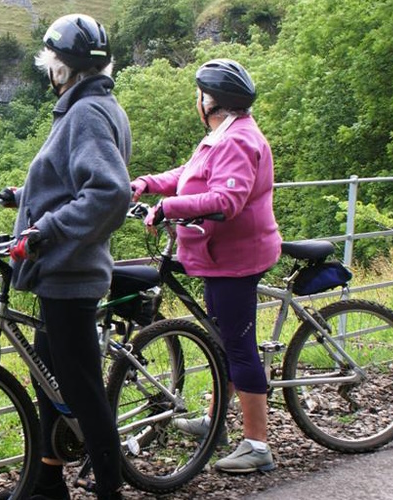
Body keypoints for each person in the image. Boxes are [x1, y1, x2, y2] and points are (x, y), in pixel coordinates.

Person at [0, 13, 131, 500]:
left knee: (85, 394)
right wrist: (25, 194)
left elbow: (110, 193)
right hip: (60, 273)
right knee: (49, 378)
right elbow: (71, 177)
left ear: (63, 68)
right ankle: (48, 481)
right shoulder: (91, 105)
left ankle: (111, 491)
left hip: (71, 275)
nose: (48, 73)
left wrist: (45, 228)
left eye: (50, 64)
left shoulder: (86, 113)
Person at [130, 58, 282, 474]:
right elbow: (192, 173)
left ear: (208, 101)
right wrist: (147, 183)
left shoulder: (236, 140)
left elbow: (226, 200)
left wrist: (167, 208)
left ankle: (257, 446)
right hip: (223, 255)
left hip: (236, 258)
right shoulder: (225, 134)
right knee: (222, 338)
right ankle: (216, 423)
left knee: (237, 346)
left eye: (198, 96)